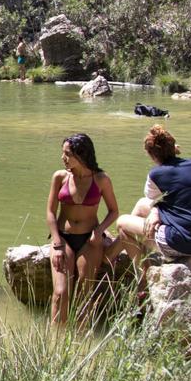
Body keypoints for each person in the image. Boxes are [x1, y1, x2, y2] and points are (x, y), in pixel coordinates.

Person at [107, 126, 191, 270]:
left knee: (122, 224)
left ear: (151, 154)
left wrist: (156, 210)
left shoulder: (156, 174)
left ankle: (143, 278)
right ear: (173, 147)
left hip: (189, 243)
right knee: (141, 204)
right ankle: (110, 255)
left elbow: (152, 196)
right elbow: (154, 201)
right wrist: (156, 210)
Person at [45, 133, 120, 324]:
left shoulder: (102, 179)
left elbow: (113, 211)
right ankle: (55, 342)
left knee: (83, 295)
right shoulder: (60, 177)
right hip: (63, 238)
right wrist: (57, 243)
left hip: (90, 240)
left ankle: (79, 345)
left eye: (67, 154)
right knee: (61, 293)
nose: (63, 158)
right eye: (63, 153)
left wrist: (99, 230)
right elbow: (51, 213)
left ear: (81, 155)